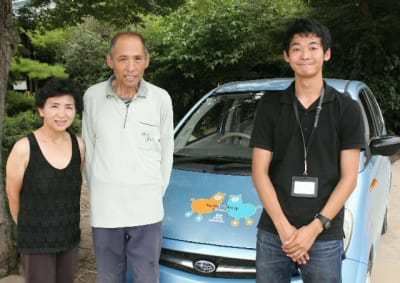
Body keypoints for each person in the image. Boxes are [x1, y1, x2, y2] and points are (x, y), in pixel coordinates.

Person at [250, 18, 364, 283]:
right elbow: (259, 171)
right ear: (287, 56)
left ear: (326, 54)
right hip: (273, 232)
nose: (305, 55)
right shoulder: (270, 105)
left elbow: (349, 178)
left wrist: (313, 230)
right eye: (297, 48)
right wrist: (285, 231)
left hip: (324, 234)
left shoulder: (347, 109)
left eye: (313, 47)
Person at [82, 31, 174, 283]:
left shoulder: (161, 98)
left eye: (137, 58)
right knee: (109, 278)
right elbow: (89, 151)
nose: (131, 67)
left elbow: (167, 153)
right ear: (110, 61)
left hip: (147, 210)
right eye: (123, 59)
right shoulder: (92, 97)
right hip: (106, 211)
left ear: (147, 60)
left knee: (147, 277)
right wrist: (100, 190)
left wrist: (154, 192)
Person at [5, 78, 84, 283]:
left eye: (69, 107)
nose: (62, 114)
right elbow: (13, 196)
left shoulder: (79, 146)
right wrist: (29, 228)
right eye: (54, 106)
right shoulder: (24, 148)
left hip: (69, 238)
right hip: (36, 241)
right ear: (41, 110)